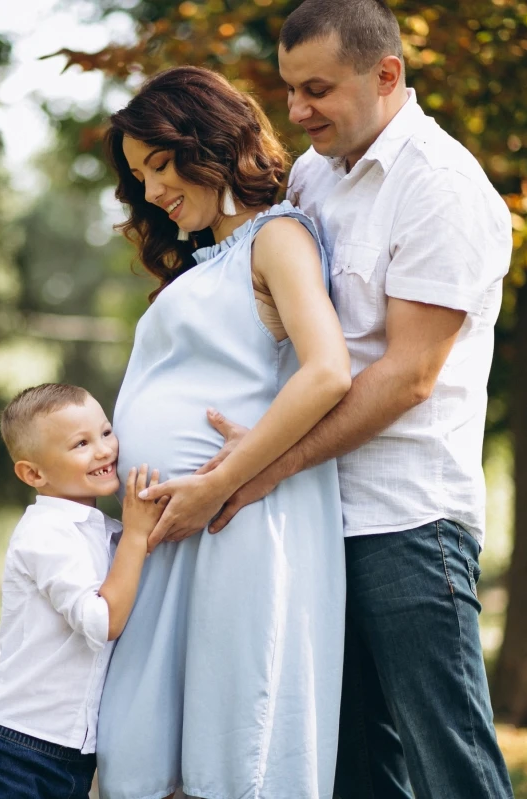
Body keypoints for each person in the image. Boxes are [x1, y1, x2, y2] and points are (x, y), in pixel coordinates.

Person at [168, 1, 516, 796]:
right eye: (289, 89)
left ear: (386, 74)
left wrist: (256, 468)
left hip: (408, 521)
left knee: (450, 764)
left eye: (316, 89)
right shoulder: (311, 175)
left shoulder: (445, 189)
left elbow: (406, 376)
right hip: (318, 518)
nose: (296, 111)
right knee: (351, 766)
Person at [95, 66, 352, 799]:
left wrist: (213, 483)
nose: (149, 192)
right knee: (145, 756)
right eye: (139, 175)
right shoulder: (209, 260)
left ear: (205, 143)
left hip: (234, 521)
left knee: (229, 749)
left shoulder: (276, 237)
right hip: (179, 531)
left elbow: (328, 371)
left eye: (158, 166)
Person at [0, 383, 166, 799]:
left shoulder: (104, 534)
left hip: (72, 754)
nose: (104, 450)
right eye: (81, 444)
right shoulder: (45, 534)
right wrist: (137, 536)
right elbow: (102, 620)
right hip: (13, 746)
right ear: (34, 473)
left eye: (106, 432)